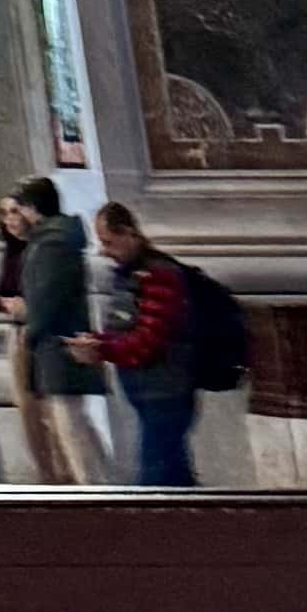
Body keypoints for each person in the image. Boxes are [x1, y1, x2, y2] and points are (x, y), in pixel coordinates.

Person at [72, 201, 203, 485]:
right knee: (173, 471)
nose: (104, 251)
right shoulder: (130, 274)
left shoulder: (159, 275)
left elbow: (150, 338)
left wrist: (102, 349)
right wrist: (98, 340)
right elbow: (126, 327)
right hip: (148, 388)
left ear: (128, 233)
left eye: (108, 242)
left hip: (166, 388)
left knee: (156, 476)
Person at [2, 181, 102, 480]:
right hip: (57, 343)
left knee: (73, 430)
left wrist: (29, 327)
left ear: (33, 208)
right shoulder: (50, 241)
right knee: (69, 426)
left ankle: (97, 495)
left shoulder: (51, 245)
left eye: (20, 208)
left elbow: (45, 300)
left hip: (58, 345)